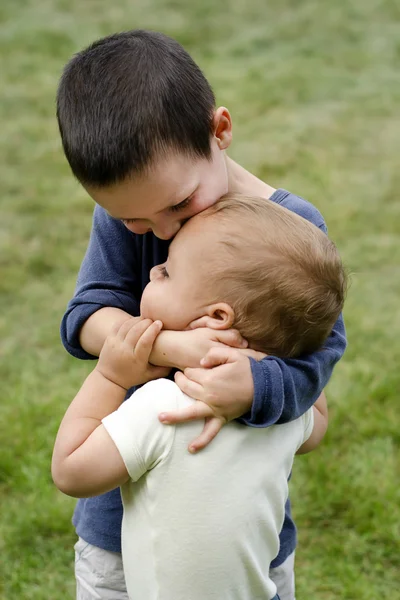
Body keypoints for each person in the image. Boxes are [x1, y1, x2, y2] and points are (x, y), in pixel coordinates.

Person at [57, 30, 347, 600]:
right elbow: (87, 315)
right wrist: (173, 350)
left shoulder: (293, 229)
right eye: (136, 222)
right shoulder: (132, 211)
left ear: (219, 131)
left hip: (246, 524)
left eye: (178, 205)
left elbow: (320, 360)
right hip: (121, 515)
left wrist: (255, 385)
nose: (162, 232)